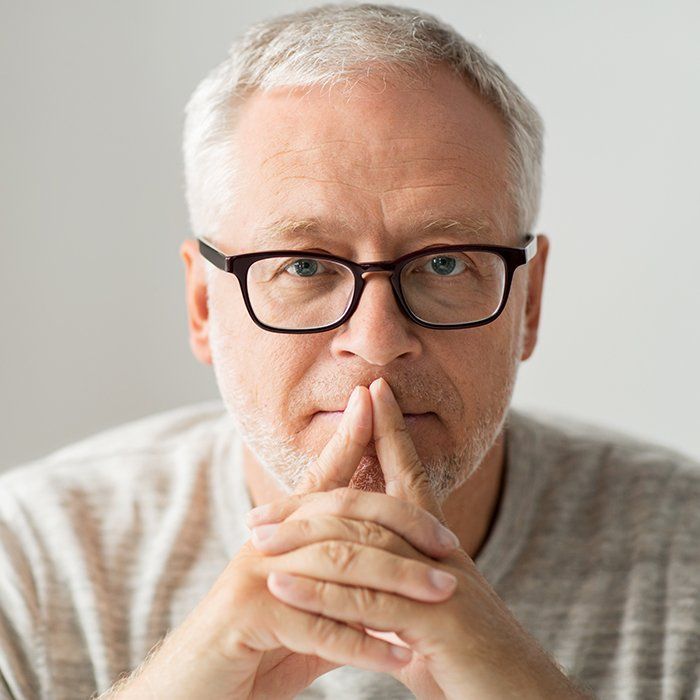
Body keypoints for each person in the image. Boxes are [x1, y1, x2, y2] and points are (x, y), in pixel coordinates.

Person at [1, 3, 698, 699]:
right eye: (304, 266)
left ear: (530, 300)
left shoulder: (686, 557)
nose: (376, 342)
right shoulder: (28, 561)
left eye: (446, 263)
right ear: (204, 305)